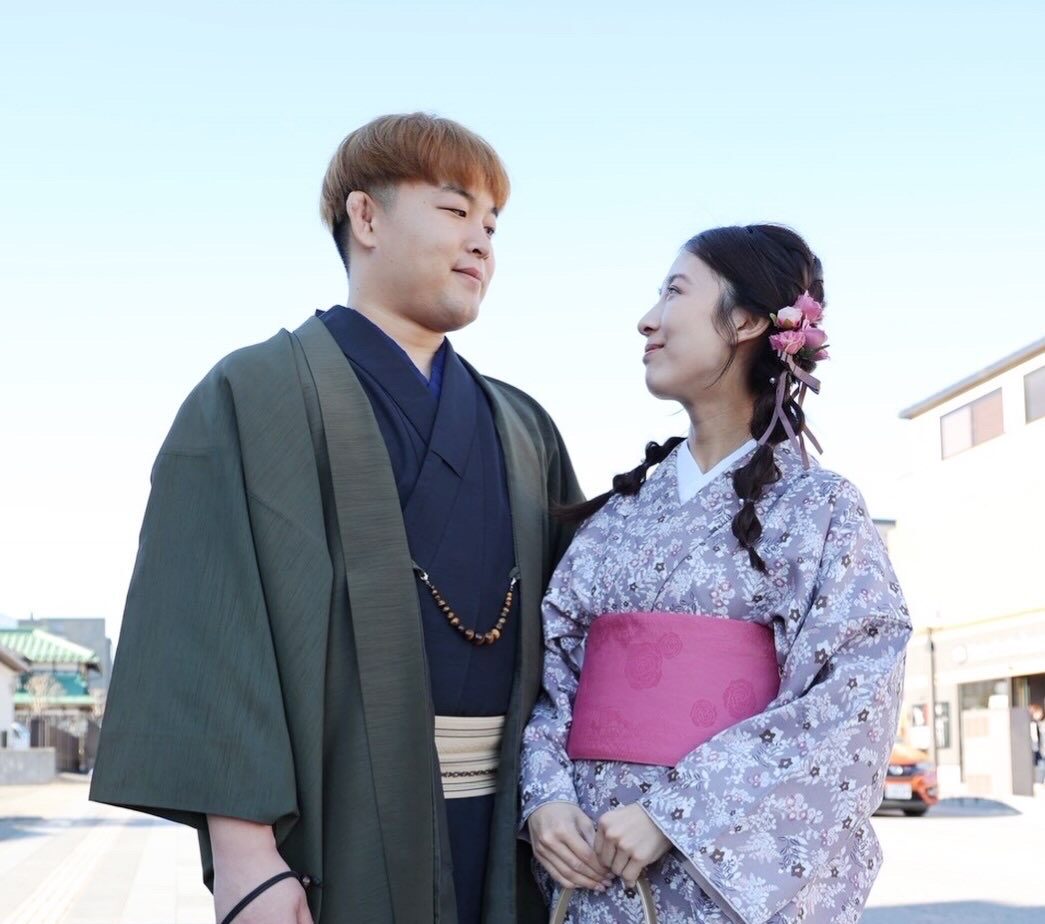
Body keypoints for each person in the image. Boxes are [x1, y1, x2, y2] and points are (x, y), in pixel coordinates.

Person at [90, 113, 581, 924]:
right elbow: (205, 621)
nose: (481, 243)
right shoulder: (256, 393)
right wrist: (245, 853)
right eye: (454, 210)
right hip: (334, 822)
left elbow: (577, 640)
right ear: (366, 217)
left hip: (511, 834)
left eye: (493, 226)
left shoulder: (523, 425)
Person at [520, 225, 912, 923]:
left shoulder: (816, 509)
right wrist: (546, 798)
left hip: (715, 881)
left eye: (674, 291)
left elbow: (852, 701)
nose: (648, 320)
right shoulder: (617, 518)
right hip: (592, 871)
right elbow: (555, 679)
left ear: (747, 321)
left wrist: (675, 814)